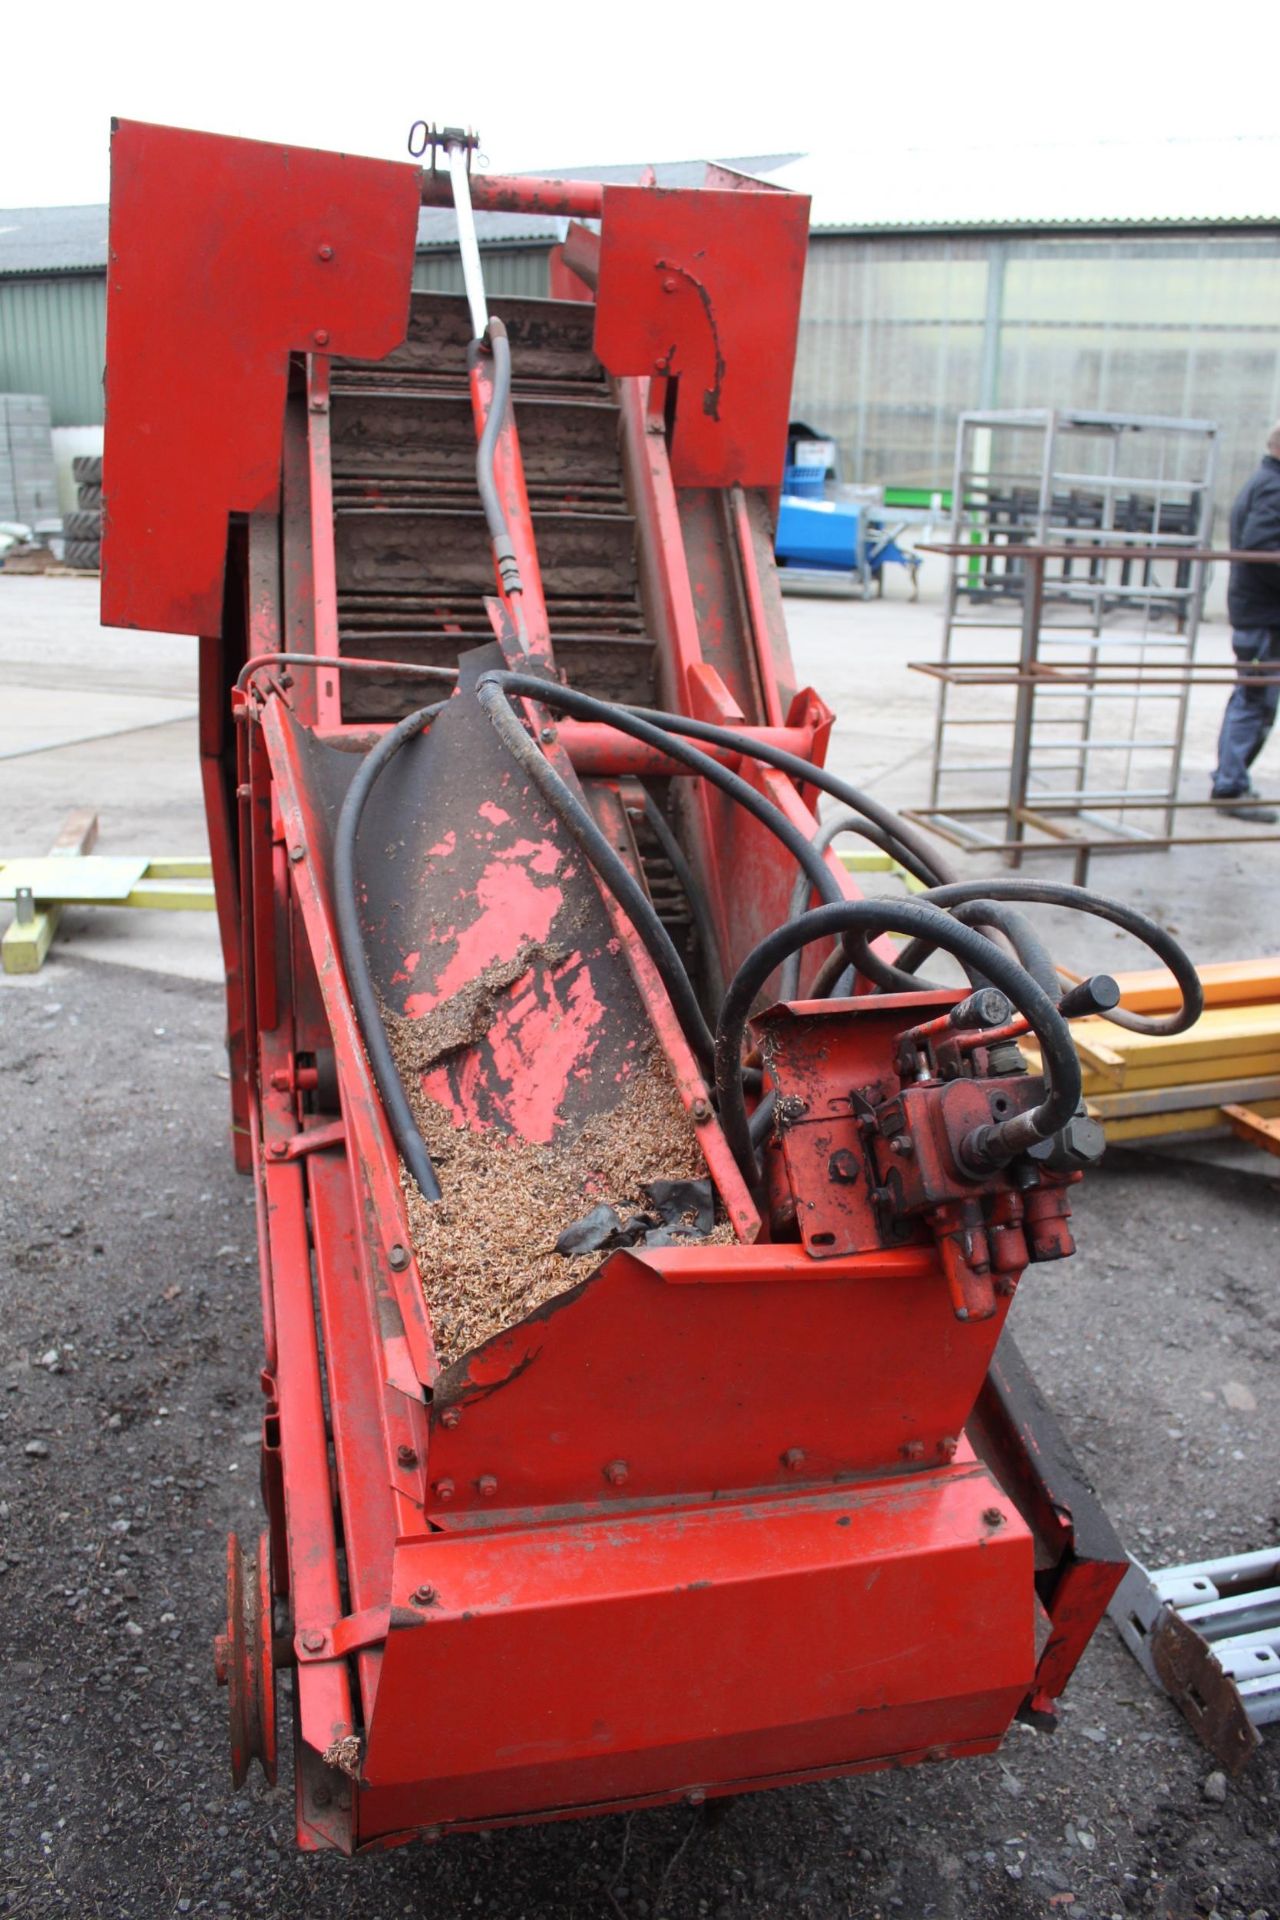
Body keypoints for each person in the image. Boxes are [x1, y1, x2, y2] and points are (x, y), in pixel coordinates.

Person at [1212, 424, 1280, 822]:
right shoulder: (1273, 487)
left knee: (1253, 697)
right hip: (1262, 616)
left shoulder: (1265, 481)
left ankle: (1232, 779)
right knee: (1255, 699)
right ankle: (1230, 785)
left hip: (1258, 613)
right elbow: (1260, 549)